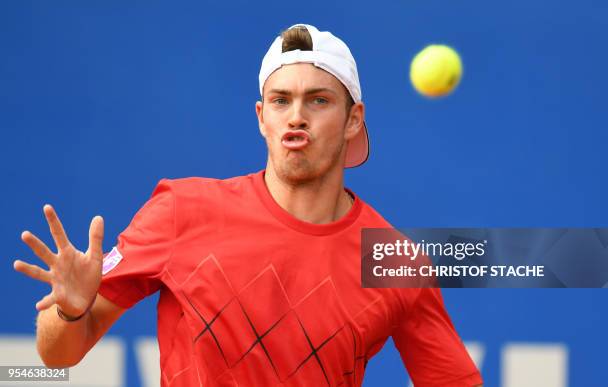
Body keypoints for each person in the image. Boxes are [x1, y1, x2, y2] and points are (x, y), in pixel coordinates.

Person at [14, 23, 483, 386]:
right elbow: (58, 354)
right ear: (262, 117)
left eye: (318, 100)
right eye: (281, 101)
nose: (296, 117)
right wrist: (70, 312)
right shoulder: (181, 211)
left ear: (352, 120)